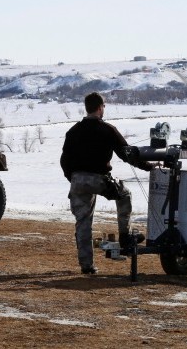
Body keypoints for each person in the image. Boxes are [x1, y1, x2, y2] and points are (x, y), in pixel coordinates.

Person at [60, 92, 153, 274]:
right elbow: (128, 155)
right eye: (104, 107)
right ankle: (125, 237)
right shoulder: (108, 130)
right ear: (100, 107)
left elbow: (64, 160)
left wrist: (73, 178)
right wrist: (149, 167)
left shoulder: (73, 131)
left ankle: (87, 266)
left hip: (78, 180)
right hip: (99, 179)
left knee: (83, 222)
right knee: (124, 194)